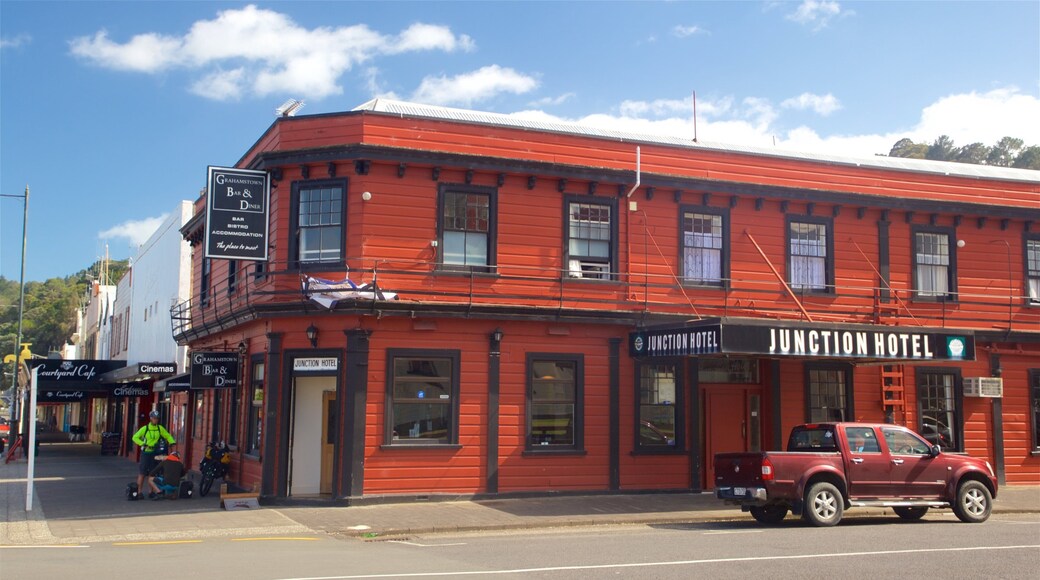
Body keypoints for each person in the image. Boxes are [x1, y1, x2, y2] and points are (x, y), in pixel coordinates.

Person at [131, 410, 176, 496]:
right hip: (146, 453)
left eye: (157, 419)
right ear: (151, 418)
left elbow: (167, 435)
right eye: (154, 418)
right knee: (143, 473)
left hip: (155, 453)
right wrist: (143, 444)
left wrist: (172, 441)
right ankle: (139, 492)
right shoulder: (145, 428)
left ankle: (150, 492)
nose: (156, 420)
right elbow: (135, 437)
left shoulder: (159, 428)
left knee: (152, 473)